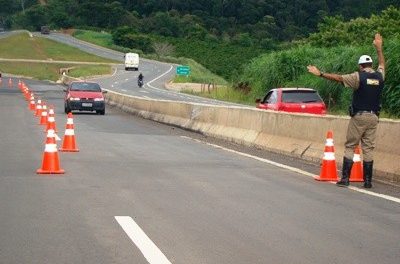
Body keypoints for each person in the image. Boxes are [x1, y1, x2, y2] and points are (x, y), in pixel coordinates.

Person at [307, 33, 385, 188]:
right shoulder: (380, 76)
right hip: (374, 117)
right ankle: (368, 181)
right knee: (368, 148)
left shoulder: (358, 77)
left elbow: (338, 78)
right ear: (370, 64)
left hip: (359, 116)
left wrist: (321, 74)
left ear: (361, 66)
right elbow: (382, 63)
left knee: (350, 145)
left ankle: (345, 179)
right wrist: (379, 49)